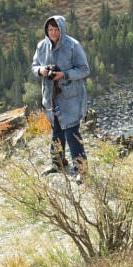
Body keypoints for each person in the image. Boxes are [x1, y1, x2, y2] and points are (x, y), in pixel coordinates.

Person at [32, 15, 90, 182]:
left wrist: (64, 74)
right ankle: (57, 163)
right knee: (56, 130)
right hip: (51, 97)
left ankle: (82, 170)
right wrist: (41, 70)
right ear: (46, 30)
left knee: (72, 132)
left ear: (62, 29)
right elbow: (34, 66)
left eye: (56, 29)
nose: (53, 32)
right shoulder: (41, 46)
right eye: (50, 29)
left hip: (71, 98)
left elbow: (84, 69)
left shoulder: (73, 46)